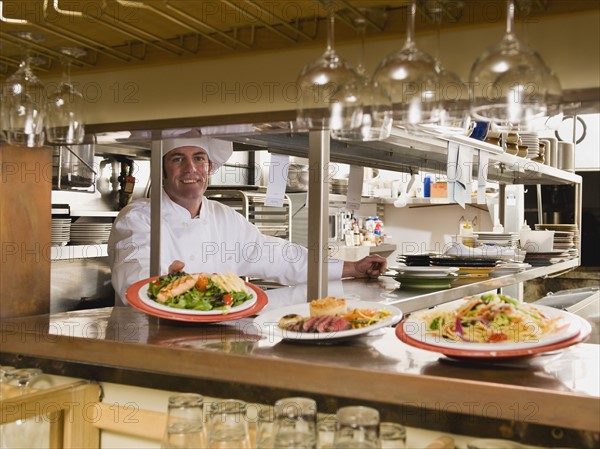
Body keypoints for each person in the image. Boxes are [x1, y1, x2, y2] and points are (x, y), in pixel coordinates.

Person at [108, 133, 387, 304]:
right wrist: (170, 286)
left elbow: (279, 255)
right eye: (178, 159)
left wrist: (350, 268)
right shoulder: (137, 218)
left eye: (199, 158)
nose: (191, 168)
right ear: (163, 170)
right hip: (154, 341)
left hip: (216, 338)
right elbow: (135, 282)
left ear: (210, 167)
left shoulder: (223, 217)